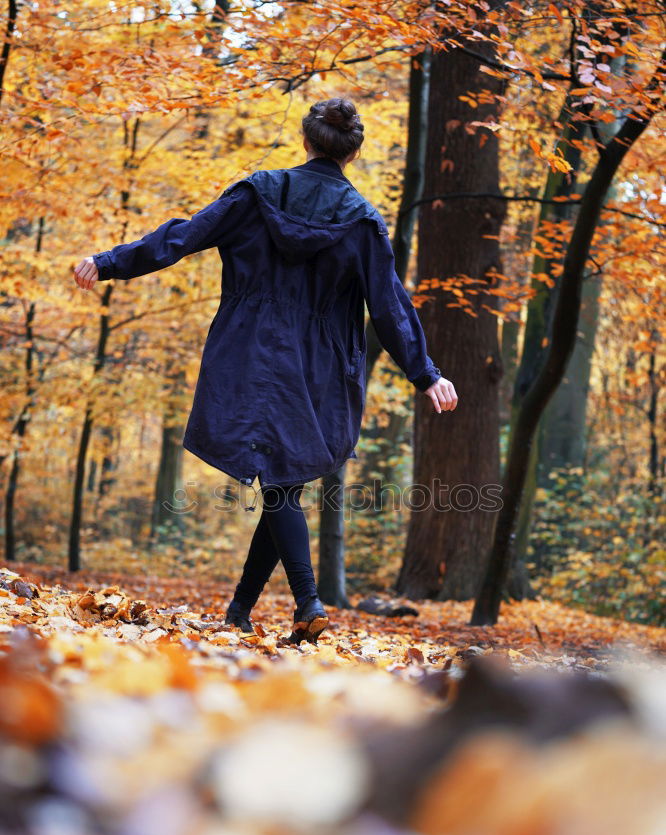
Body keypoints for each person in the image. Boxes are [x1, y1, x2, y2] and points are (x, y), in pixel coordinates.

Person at [74, 96, 458, 644]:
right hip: (320, 365)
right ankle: (303, 602)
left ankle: (252, 609)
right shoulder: (363, 222)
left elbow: (182, 237)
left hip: (250, 350)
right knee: (284, 482)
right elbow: (390, 307)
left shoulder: (257, 193)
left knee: (284, 484)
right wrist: (425, 373)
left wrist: (110, 261)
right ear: (352, 154)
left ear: (306, 140)